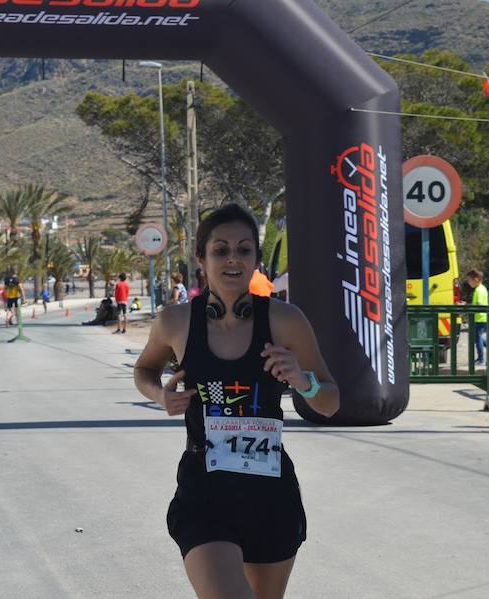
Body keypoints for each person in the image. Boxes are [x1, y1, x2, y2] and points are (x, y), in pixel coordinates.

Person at [134, 203, 339, 599]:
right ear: (200, 258)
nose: (233, 259)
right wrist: (160, 394)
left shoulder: (286, 320)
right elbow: (144, 370)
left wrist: (303, 380)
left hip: (270, 491)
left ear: (256, 261)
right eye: (220, 249)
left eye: (244, 250)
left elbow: (330, 401)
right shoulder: (175, 322)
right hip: (204, 490)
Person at [465, 269, 489, 365]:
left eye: (469, 280)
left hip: (480, 317)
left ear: (476, 279)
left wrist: (467, 305)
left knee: (477, 338)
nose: (468, 282)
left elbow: (478, 304)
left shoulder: (479, 290)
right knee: (477, 337)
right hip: (480, 317)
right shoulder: (481, 288)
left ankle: (481, 359)